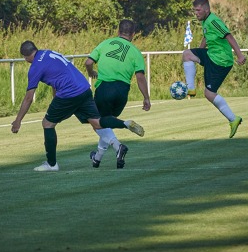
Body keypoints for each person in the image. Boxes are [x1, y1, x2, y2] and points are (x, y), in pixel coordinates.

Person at [11, 41, 145, 172]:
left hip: (69, 93)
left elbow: (29, 98)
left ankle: (51, 164)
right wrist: (55, 99)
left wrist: (18, 121)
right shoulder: (48, 53)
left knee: (47, 124)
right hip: (84, 88)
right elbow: (56, 77)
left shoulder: (35, 67)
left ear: (26, 56)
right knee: (97, 123)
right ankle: (125, 124)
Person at [85, 19, 151, 168]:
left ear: (118, 31)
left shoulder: (106, 43)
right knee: (106, 121)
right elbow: (140, 77)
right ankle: (97, 158)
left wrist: (91, 73)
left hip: (104, 88)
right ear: (133, 34)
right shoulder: (135, 51)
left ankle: (118, 145)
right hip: (122, 92)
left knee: (96, 121)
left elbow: (88, 62)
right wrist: (146, 98)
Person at [182, 0, 246, 138]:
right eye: (194, 11)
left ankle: (233, 119)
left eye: (198, 10)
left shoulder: (214, 21)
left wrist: (239, 55)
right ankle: (190, 88)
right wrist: (199, 52)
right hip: (211, 55)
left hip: (220, 61)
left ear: (206, 9)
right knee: (187, 54)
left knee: (209, 94)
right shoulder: (206, 21)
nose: (196, 13)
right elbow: (207, 36)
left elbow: (229, 36)